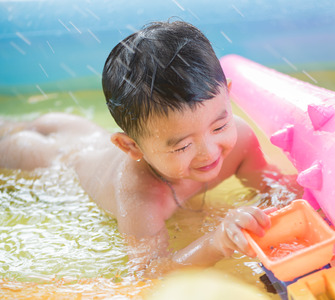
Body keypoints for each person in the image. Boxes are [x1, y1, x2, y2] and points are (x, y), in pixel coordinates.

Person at [0, 21, 300, 273]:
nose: (209, 152)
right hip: (54, 163)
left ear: (228, 98)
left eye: (219, 126)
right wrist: (215, 241)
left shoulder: (243, 142)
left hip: (80, 131)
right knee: (22, 143)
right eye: (182, 146)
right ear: (131, 147)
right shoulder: (138, 192)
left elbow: (275, 190)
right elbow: (151, 271)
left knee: (49, 127)